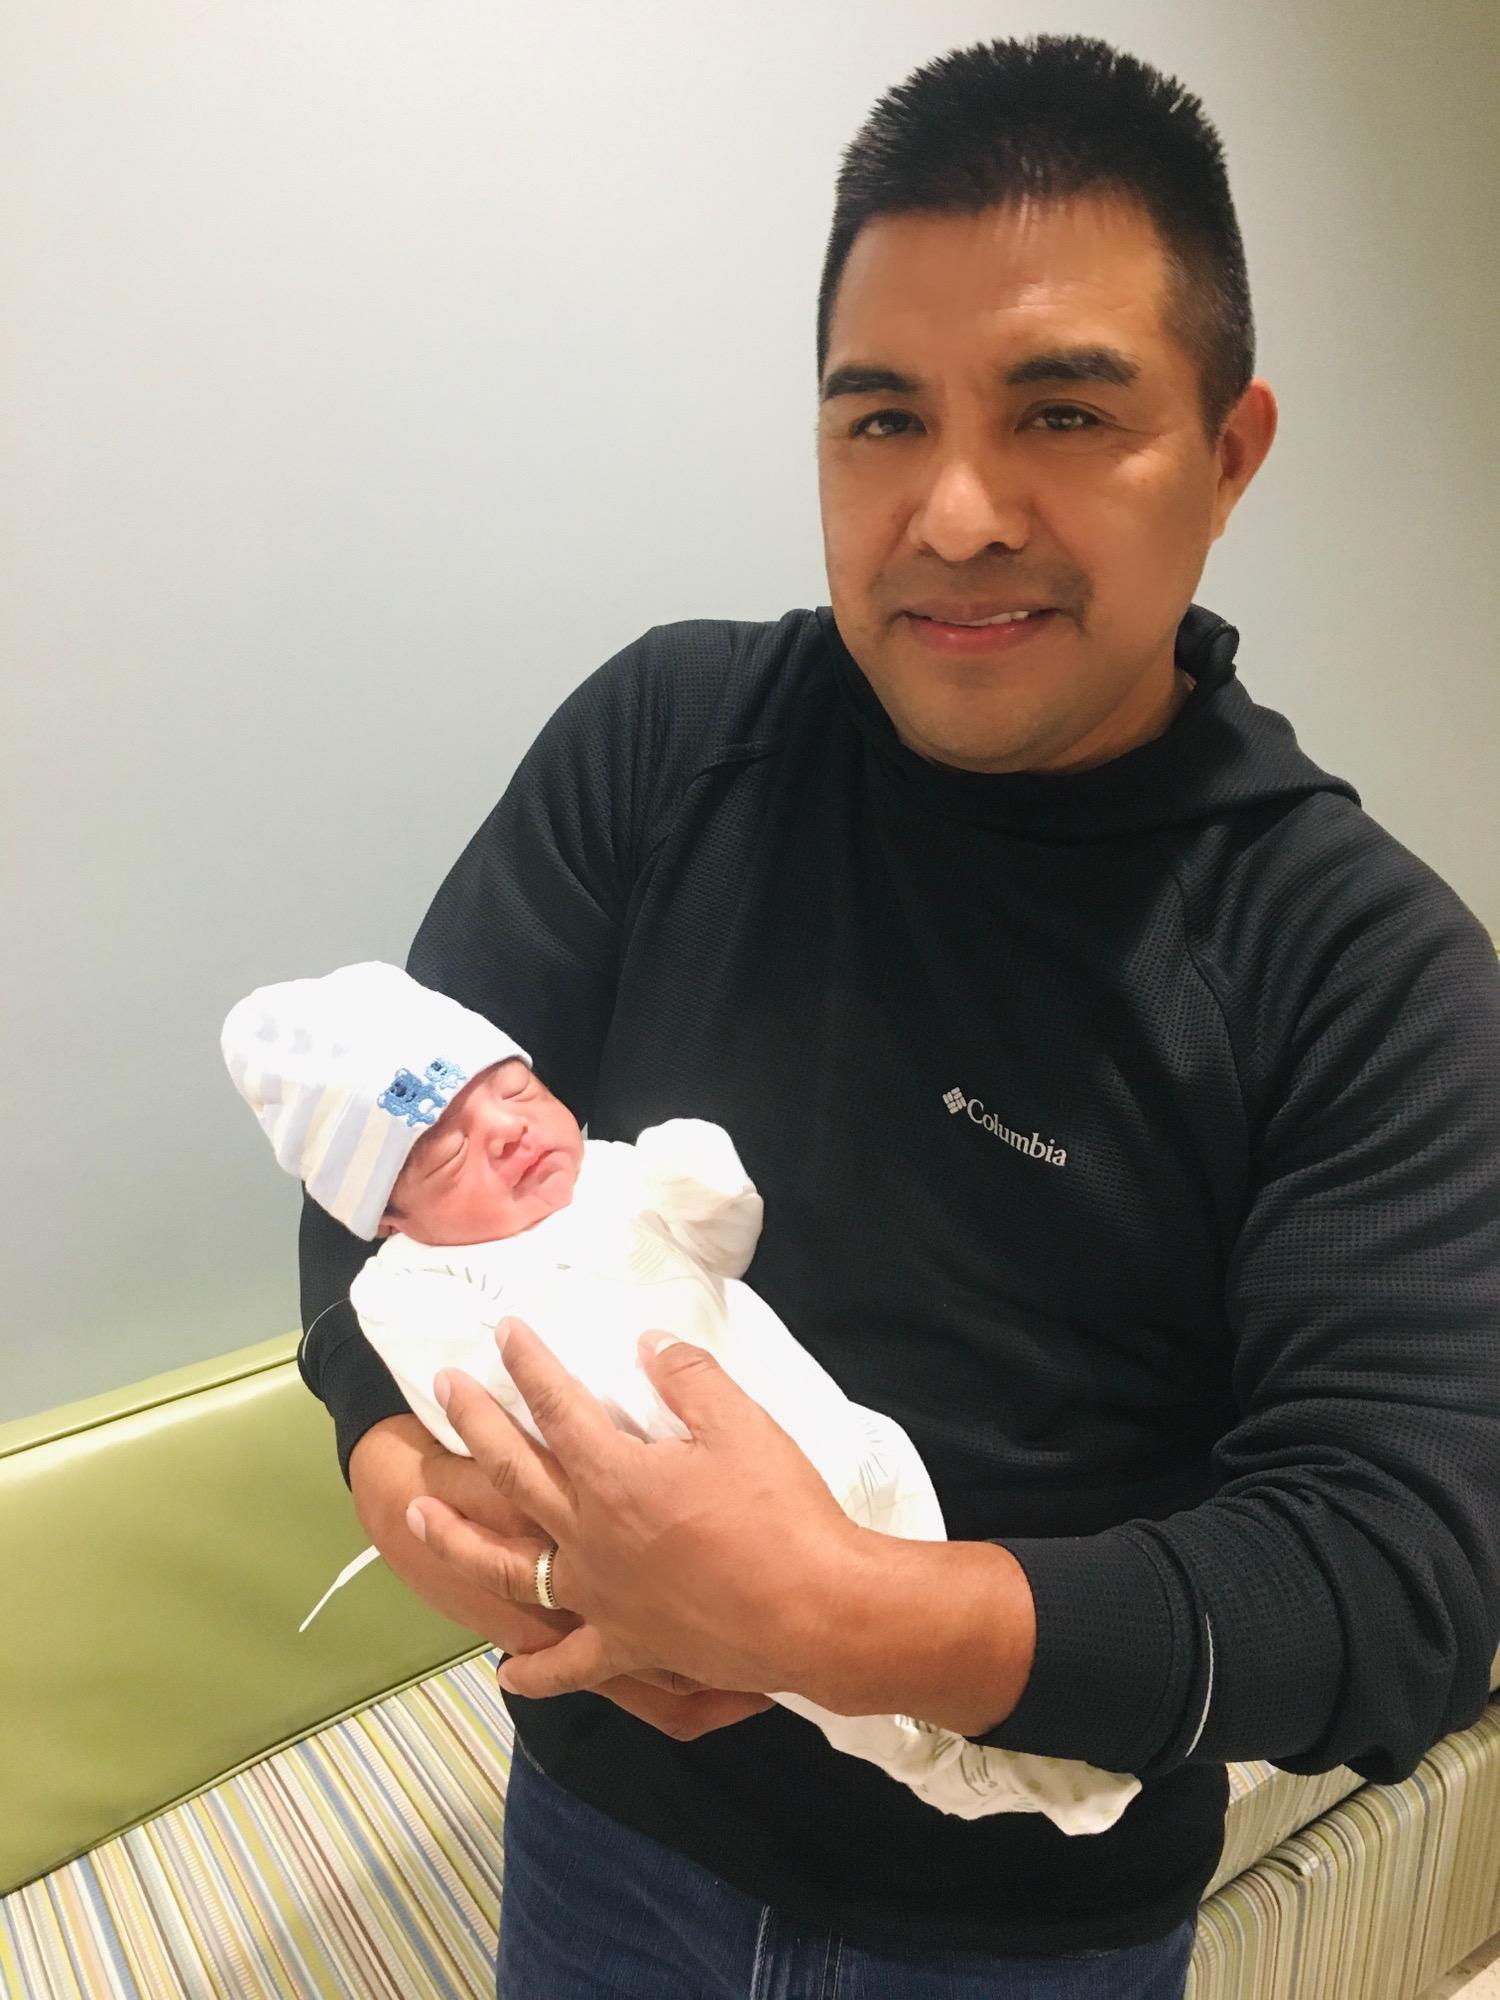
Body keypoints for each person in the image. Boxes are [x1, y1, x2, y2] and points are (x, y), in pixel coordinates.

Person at [294, 29, 1500, 1999]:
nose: (951, 513)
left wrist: (841, 1613)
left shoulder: (1365, 974)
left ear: (1230, 450)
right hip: (603, 1834)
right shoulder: (668, 744)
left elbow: (1399, 1582)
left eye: (1058, 413)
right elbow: (373, 1156)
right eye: (879, 421)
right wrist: (419, 1505)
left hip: (1026, 1930)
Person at [224, 958, 1141, 1829]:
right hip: (664, 1519)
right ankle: (941, 1767)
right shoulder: (407, 1286)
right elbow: (461, 1399)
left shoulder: (613, 1173)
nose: (504, 1130)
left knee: (909, 1557)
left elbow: (727, 1240)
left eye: (514, 1091)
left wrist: (699, 1180)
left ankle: (993, 1718)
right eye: (444, 1149)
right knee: (806, 1661)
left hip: (823, 1433)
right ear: (389, 1217)